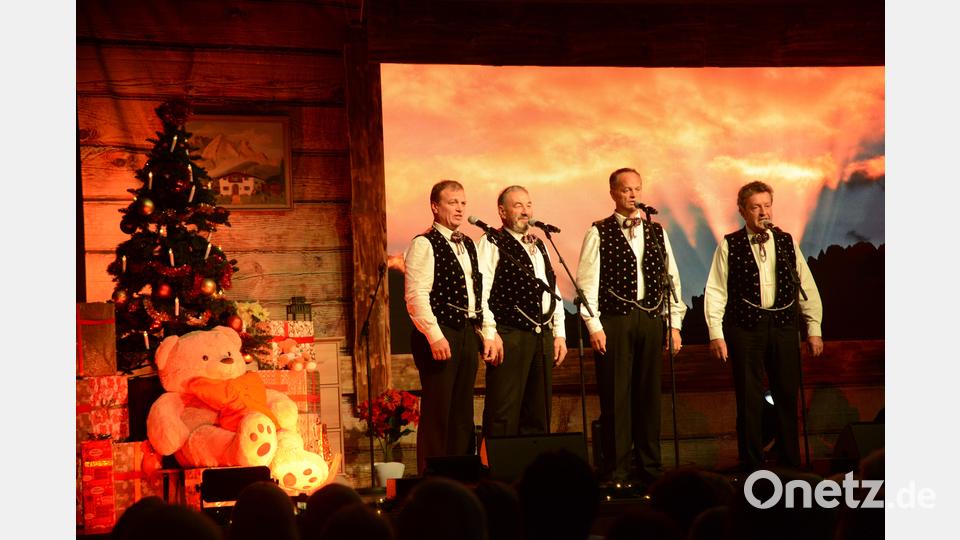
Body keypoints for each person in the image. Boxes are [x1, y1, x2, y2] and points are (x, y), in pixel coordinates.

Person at [575, 167, 686, 485]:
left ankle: (650, 467)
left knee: (648, 396)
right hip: (615, 322)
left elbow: (672, 280)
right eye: (626, 189)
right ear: (613, 192)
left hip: (650, 320)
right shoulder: (599, 231)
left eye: (637, 188)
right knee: (616, 397)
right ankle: (617, 469)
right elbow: (586, 284)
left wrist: (674, 325)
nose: (634, 194)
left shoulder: (656, 230)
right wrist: (594, 325)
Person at [704, 180, 823, 471]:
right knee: (750, 398)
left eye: (767, 205)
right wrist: (716, 333)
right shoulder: (730, 244)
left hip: (783, 326)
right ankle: (752, 467)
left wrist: (814, 328)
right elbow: (716, 290)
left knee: (786, 394)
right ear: (743, 211)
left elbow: (805, 285)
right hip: (745, 329)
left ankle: (790, 465)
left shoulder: (785, 241)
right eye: (756, 207)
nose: (763, 212)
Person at [404, 179, 483, 474]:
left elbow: (476, 290)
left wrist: (481, 330)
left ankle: (461, 477)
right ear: (435, 207)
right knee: (439, 411)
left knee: (462, 411)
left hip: (465, 331)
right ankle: (433, 479)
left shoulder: (469, 245)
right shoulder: (424, 243)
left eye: (463, 202)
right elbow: (415, 295)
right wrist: (435, 336)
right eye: (453, 202)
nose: (460, 208)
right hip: (439, 332)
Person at [477, 185, 567, 442]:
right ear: (502, 211)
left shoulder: (539, 244)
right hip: (509, 334)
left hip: (542, 336)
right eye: (518, 206)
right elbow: (481, 288)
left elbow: (552, 288)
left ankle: (531, 475)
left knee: (538, 412)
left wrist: (559, 333)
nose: (525, 211)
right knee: (503, 411)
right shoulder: (492, 241)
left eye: (528, 205)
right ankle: (498, 474)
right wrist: (489, 332)